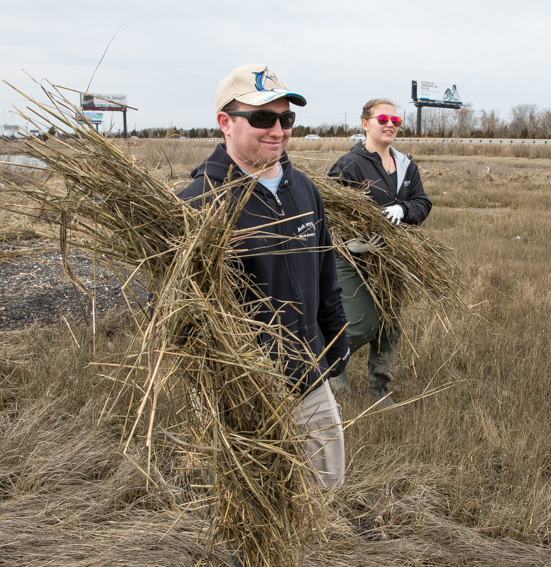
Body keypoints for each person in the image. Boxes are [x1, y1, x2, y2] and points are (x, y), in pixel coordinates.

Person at [176, 64, 349, 488]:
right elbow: (175, 315)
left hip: (308, 370)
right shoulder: (197, 205)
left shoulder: (304, 189)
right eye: (261, 118)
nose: (277, 129)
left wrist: (336, 342)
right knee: (251, 497)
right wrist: (223, 379)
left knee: (323, 482)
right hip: (240, 386)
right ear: (225, 123)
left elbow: (326, 273)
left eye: (286, 118)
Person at [327, 99, 432, 407]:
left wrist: (404, 208)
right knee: (362, 323)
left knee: (389, 325)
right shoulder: (349, 164)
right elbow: (333, 212)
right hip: (353, 256)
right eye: (383, 118)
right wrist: (363, 227)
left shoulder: (406, 165)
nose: (390, 124)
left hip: (392, 257)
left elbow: (423, 203)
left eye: (396, 120)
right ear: (365, 124)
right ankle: (332, 365)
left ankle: (379, 388)